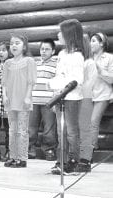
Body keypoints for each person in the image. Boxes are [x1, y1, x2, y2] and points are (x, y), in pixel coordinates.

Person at [49, 19, 85, 174]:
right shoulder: (62, 54)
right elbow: (59, 75)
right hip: (59, 98)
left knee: (71, 131)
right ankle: (61, 161)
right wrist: (54, 89)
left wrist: (58, 85)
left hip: (71, 98)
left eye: (61, 32)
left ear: (69, 35)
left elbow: (77, 80)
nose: (58, 34)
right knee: (60, 131)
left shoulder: (77, 56)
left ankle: (73, 161)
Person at [76, 32, 113, 172]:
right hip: (87, 95)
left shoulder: (109, 58)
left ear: (102, 43)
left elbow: (111, 79)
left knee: (92, 122)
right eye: (90, 41)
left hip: (103, 95)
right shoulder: (86, 59)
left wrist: (100, 69)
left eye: (93, 41)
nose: (90, 44)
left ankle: (87, 155)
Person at [2, 34, 37, 168]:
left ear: (24, 46)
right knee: (12, 130)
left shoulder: (29, 61)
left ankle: (22, 158)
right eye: (11, 44)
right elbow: (4, 82)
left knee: (22, 131)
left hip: (23, 101)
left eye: (17, 43)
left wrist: (28, 97)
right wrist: (4, 96)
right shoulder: (7, 63)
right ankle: (13, 156)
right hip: (11, 101)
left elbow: (31, 81)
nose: (14, 46)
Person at [28, 39, 58, 161]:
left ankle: (49, 150)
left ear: (53, 51)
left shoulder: (56, 64)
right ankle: (30, 149)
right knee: (31, 128)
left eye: (47, 49)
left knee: (49, 129)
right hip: (33, 100)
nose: (44, 51)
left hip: (48, 102)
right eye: (42, 49)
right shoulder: (35, 63)